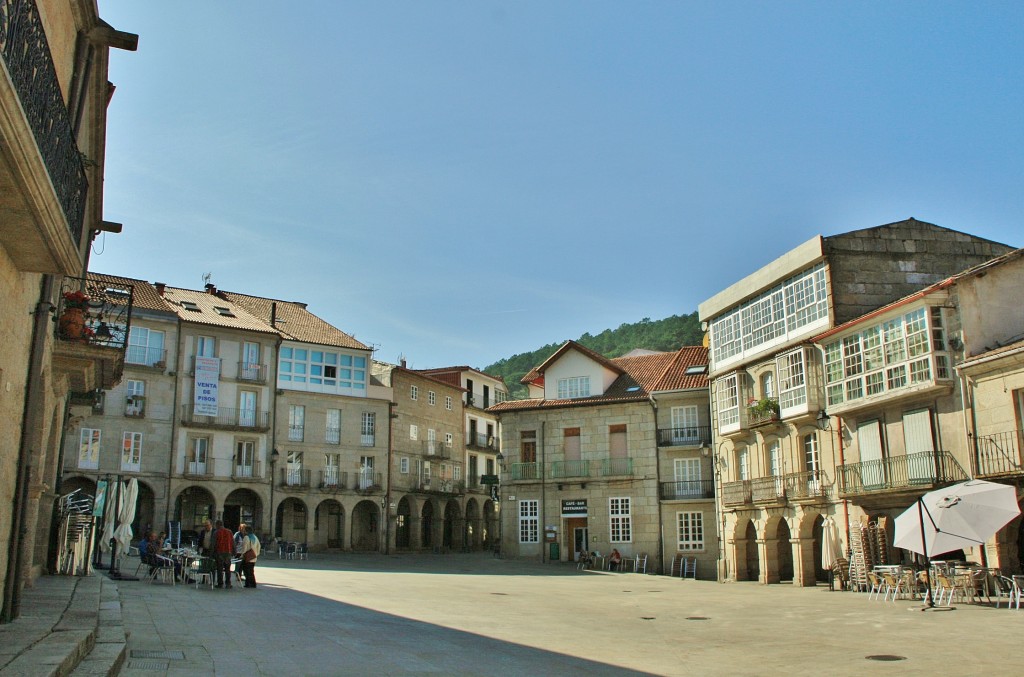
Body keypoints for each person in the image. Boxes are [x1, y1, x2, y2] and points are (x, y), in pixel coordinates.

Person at [213, 520, 235, 588]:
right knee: (227, 569)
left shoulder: (216, 532)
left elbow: (213, 544)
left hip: (219, 552)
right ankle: (228, 583)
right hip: (228, 552)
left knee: (220, 569)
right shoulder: (230, 532)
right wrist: (234, 551)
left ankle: (220, 583)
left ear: (217, 525)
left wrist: (212, 553)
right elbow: (233, 542)